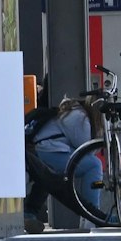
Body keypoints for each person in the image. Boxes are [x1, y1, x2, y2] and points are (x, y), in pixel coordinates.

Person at [26, 95, 100, 225]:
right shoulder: (79, 116)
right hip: (49, 151)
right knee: (94, 165)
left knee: (47, 178)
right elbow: (86, 147)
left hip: (43, 149)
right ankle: (93, 216)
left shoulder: (72, 111)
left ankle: (29, 213)